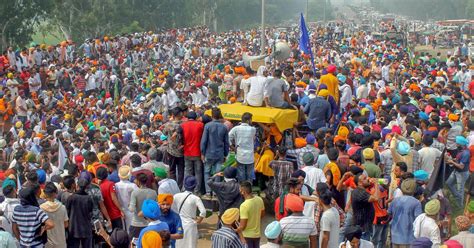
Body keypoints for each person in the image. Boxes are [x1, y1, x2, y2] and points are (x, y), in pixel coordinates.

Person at [201, 107, 229, 197]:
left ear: (212, 115)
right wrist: (225, 154)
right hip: (219, 154)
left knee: (207, 172)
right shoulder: (224, 127)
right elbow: (226, 143)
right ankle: (216, 192)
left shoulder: (208, 126)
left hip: (209, 153)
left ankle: (208, 192)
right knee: (218, 173)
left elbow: (204, 141)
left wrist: (202, 153)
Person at [172, 176, 206, 248]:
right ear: (195, 186)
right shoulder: (196, 198)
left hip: (179, 222)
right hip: (191, 224)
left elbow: (172, 208)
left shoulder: (176, 196)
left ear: (184, 184)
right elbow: (203, 212)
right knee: (191, 245)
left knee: (179, 244)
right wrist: (198, 221)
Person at [388, 178, 422, 247]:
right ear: (414, 189)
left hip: (395, 236)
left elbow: (389, 213)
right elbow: (418, 220)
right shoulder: (416, 202)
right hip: (408, 237)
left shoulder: (395, 201)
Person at [180, 111, 204, 193]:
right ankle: (197, 190)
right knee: (198, 172)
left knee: (188, 171)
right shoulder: (200, 125)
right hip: (198, 152)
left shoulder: (183, 125)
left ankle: (187, 189)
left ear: (187, 118)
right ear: (196, 117)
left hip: (187, 152)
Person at [229, 112, 256, 182]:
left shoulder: (236, 129)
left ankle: (241, 190)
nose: (251, 121)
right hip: (250, 156)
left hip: (240, 154)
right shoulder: (253, 129)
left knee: (241, 175)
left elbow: (228, 138)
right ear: (248, 120)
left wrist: (233, 147)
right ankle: (248, 190)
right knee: (250, 175)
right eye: (251, 120)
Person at [129, 172, 158, 238]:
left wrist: (129, 206)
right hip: (149, 224)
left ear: (138, 181)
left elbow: (132, 209)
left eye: (135, 179)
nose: (134, 181)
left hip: (136, 224)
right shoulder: (153, 192)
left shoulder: (135, 193)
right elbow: (156, 207)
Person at [66, 178, 94, 248]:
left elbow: (67, 213)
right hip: (86, 228)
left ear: (77, 186)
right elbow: (90, 212)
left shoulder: (71, 198)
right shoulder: (89, 198)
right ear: (87, 187)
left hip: (73, 228)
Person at [40, 182, 69, 248]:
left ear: (45, 194)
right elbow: (66, 224)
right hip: (61, 241)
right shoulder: (62, 207)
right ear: (56, 193)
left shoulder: (41, 208)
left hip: (48, 242)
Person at [351, 173, 379, 241]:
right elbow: (376, 198)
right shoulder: (359, 192)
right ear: (359, 183)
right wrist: (376, 184)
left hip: (365, 226)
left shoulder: (361, 191)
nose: (367, 179)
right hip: (362, 228)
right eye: (364, 179)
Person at [237, 181, 265, 248]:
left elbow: (242, 226)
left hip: (247, 236)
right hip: (257, 235)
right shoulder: (259, 199)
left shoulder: (244, 205)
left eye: (240, 190)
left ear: (243, 192)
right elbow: (262, 214)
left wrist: (236, 229)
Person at [446, 135, 470, 207]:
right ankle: (458, 196)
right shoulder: (460, 150)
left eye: (457, 143)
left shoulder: (466, 153)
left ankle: (460, 206)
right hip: (456, 171)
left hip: (462, 173)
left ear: (461, 144)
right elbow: (458, 160)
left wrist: (452, 162)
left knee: (460, 189)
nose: (455, 144)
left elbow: (461, 166)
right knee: (449, 183)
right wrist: (451, 160)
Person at [115, 165, 138, 232]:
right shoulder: (132, 186)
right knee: (131, 230)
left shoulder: (116, 185)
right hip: (131, 210)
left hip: (121, 209)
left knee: (124, 229)